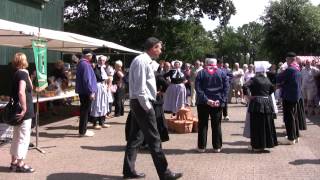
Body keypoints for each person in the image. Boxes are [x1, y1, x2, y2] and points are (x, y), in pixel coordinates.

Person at [123, 37, 182, 180]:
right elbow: (140, 89)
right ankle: (165, 173)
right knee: (154, 139)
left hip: (139, 103)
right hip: (142, 103)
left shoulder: (144, 60)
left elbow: (150, 77)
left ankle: (128, 170)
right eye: (159, 48)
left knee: (135, 138)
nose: (161, 51)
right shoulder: (142, 61)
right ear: (153, 48)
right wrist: (148, 107)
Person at [243, 61, 278, 152]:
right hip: (267, 103)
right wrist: (267, 95)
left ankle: (257, 146)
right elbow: (273, 88)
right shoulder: (267, 79)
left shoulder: (253, 79)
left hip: (256, 103)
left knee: (257, 125)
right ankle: (266, 144)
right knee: (267, 124)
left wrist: (248, 96)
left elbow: (245, 86)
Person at [195, 58, 229, 153]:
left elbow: (198, 89)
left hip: (203, 103)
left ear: (206, 63)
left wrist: (206, 100)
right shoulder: (222, 73)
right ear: (216, 64)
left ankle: (201, 147)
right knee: (216, 125)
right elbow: (226, 88)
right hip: (217, 103)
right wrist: (220, 99)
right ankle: (217, 147)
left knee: (202, 125)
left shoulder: (201, 73)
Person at [9, 52, 35, 172]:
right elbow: (21, 92)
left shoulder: (16, 73)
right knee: (24, 137)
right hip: (24, 111)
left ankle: (14, 162)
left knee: (16, 136)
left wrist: (30, 76)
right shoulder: (23, 73)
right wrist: (24, 108)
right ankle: (20, 163)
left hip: (16, 111)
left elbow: (30, 88)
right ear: (24, 61)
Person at [277, 52, 302, 144]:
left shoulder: (290, 69)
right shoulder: (297, 68)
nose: (286, 61)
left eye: (287, 59)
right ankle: (295, 135)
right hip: (295, 96)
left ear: (291, 59)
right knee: (294, 116)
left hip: (289, 96)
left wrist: (280, 71)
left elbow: (279, 78)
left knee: (289, 117)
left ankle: (290, 138)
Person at [75, 49, 97, 137]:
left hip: (83, 91)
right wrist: (91, 91)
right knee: (85, 111)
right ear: (88, 55)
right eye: (91, 56)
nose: (92, 57)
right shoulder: (85, 64)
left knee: (84, 111)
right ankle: (82, 131)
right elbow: (87, 79)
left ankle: (83, 130)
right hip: (86, 92)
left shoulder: (82, 63)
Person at [90, 55, 111, 129]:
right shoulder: (95, 67)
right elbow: (95, 78)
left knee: (104, 104)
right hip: (97, 87)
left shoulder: (104, 68)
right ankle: (95, 123)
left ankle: (102, 122)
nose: (101, 61)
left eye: (103, 60)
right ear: (97, 60)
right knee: (97, 104)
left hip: (103, 87)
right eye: (100, 60)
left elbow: (106, 78)